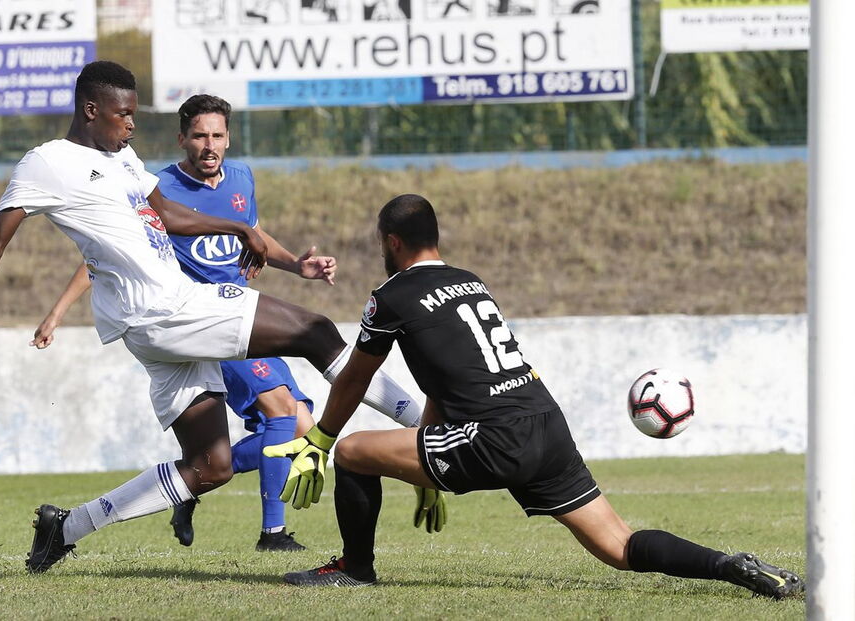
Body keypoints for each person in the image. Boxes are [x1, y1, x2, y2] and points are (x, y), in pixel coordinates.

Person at [0, 60, 422, 574]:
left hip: (156, 321)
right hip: (163, 310)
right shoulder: (47, 162)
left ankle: (66, 527)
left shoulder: (122, 156)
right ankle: (434, 425)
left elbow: (167, 215)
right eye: (123, 114)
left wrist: (239, 227)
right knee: (316, 331)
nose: (131, 124)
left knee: (210, 466)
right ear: (90, 110)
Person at [263, 194, 805, 599]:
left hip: (493, 436)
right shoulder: (470, 281)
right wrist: (419, 460)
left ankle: (355, 569)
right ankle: (733, 566)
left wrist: (322, 437)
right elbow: (448, 382)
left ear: (391, 241)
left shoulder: (393, 295)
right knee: (619, 544)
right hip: (545, 422)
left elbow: (354, 377)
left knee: (355, 452)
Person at [30, 93, 391, 552]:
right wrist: (58, 312)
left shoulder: (240, 177)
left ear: (228, 139)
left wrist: (295, 266)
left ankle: (185, 487)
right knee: (283, 413)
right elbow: (106, 256)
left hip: (243, 309)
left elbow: (253, 232)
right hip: (203, 323)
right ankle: (273, 534)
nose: (209, 145)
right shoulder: (156, 189)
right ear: (182, 139)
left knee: (296, 426)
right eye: (199, 135)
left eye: (217, 135)